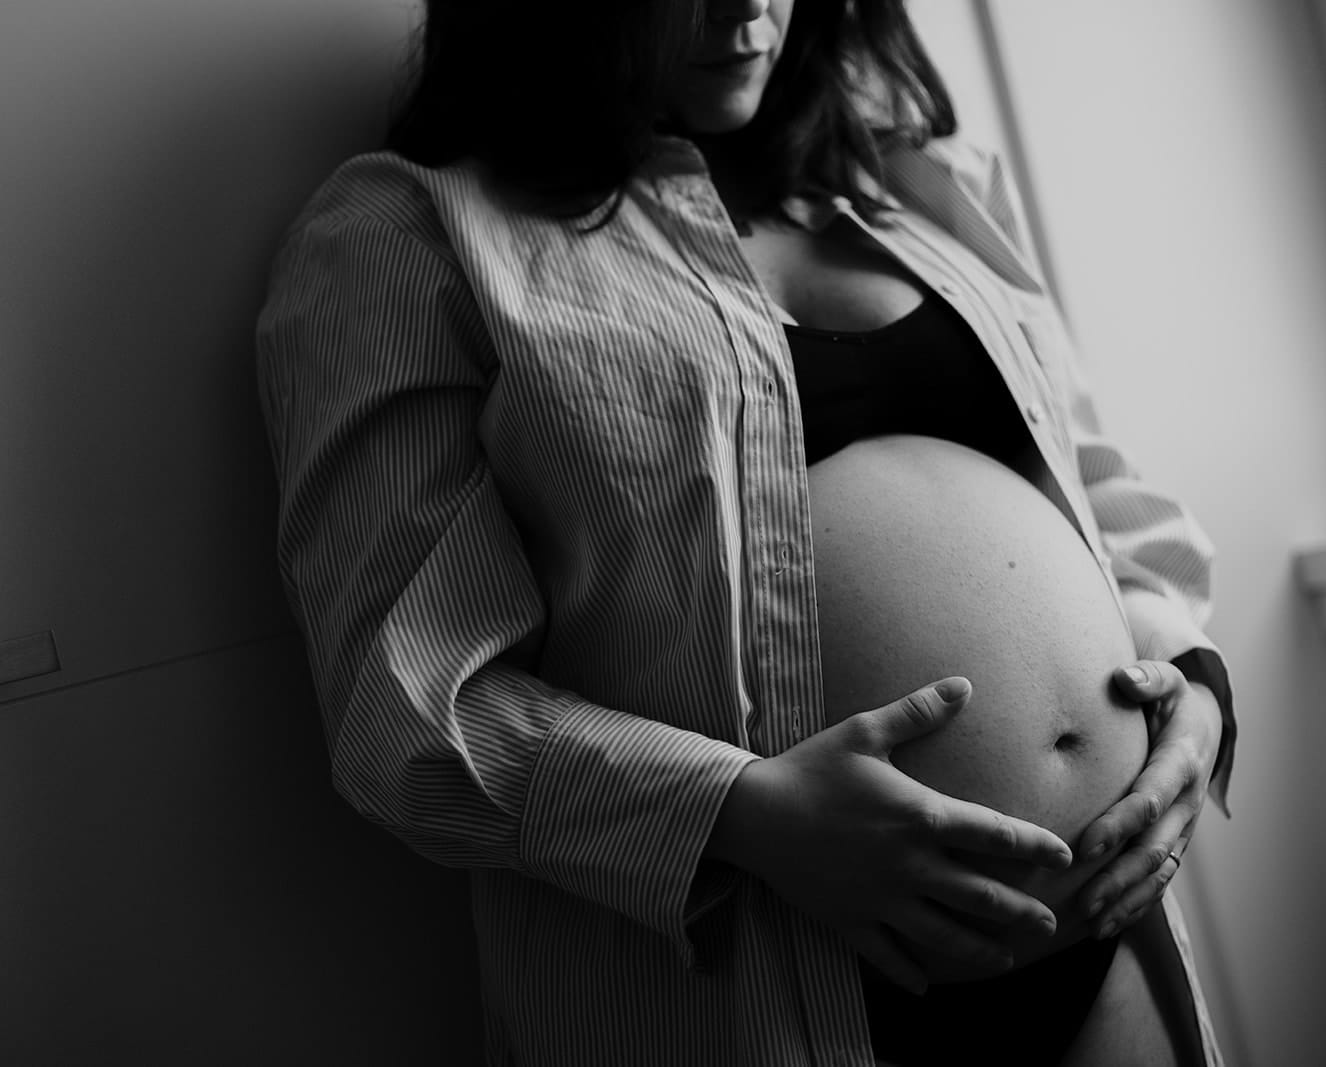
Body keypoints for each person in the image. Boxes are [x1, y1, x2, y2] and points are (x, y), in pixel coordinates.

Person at [255, 0, 1238, 1063]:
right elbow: (408, 701)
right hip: (762, 986)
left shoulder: (919, 185)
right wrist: (744, 812)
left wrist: (1189, 695)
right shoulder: (411, 237)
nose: (750, 6)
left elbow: (1105, 502)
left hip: (1102, 940)